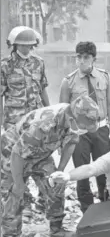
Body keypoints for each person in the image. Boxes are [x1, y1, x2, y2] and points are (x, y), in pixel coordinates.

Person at [1, 95, 100, 237]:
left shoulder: (73, 120)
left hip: (41, 154)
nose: (84, 130)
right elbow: (17, 153)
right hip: (12, 154)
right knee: (13, 195)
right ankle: (11, 233)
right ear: (73, 118)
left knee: (56, 184)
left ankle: (56, 229)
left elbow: (71, 143)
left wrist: (60, 170)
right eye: (84, 126)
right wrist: (18, 183)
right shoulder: (43, 125)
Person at [59, 41, 110, 213]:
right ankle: (88, 212)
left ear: (94, 58)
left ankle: (107, 207)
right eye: (78, 57)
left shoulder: (105, 77)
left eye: (86, 57)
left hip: (100, 130)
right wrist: (63, 136)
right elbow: (63, 112)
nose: (81, 61)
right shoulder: (68, 82)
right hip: (80, 132)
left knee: (105, 171)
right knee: (81, 173)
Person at [1, 26, 50, 216]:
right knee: (14, 160)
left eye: (31, 45)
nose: (28, 49)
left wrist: (49, 112)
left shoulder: (39, 63)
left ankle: (44, 199)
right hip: (14, 122)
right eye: (24, 45)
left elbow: (43, 89)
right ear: (14, 45)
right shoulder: (5, 65)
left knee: (41, 157)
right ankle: (23, 198)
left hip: (36, 120)